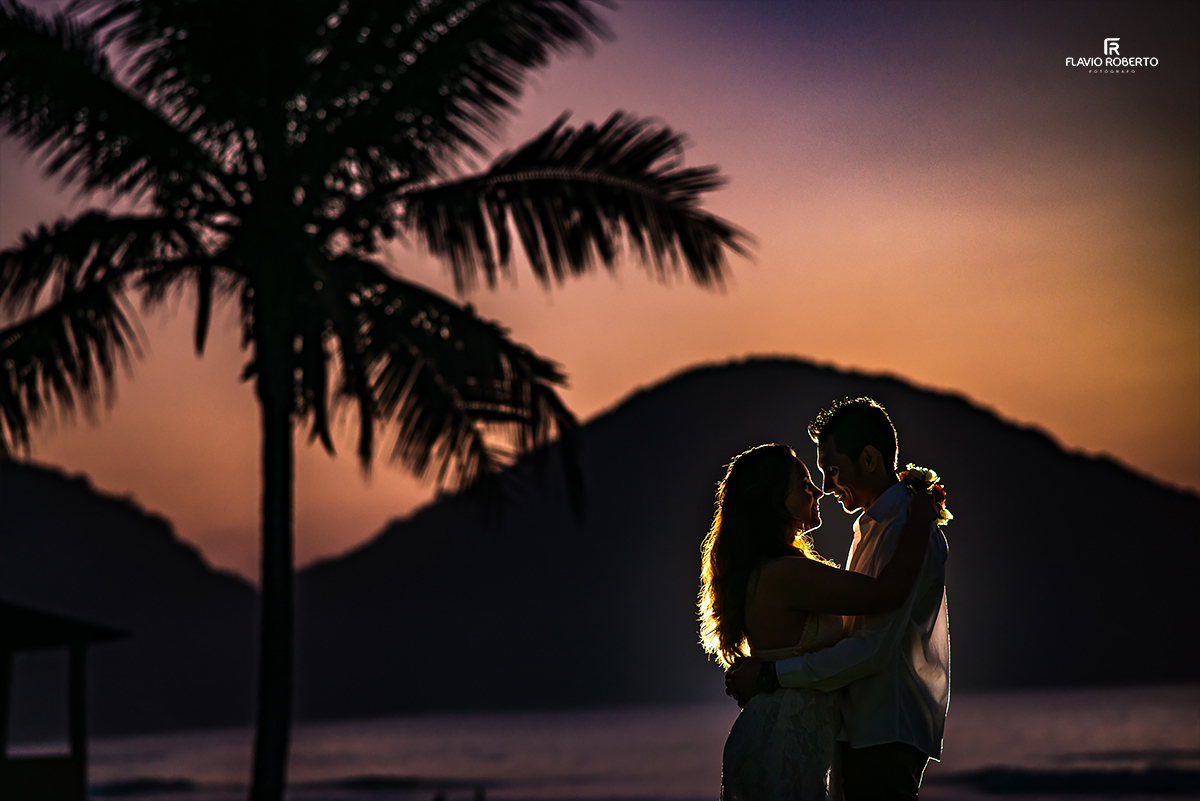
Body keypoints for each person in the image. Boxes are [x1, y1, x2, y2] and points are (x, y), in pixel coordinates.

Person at [725, 398, 951, 801]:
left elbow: (872, 648)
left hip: (883, 728)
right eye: (810, 479)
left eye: (830, 470)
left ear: (867, 459)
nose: (825, 488)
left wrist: (769, 675)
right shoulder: (876, 528)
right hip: (846, 732)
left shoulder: (902, 528)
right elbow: (876, 604)